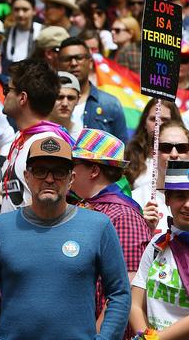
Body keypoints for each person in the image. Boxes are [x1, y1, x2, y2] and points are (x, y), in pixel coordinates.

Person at [0, 136, 131, 339]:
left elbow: (120, 293)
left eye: (59, 172)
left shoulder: (99, 226)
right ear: (26, 176)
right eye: (40, 171)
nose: (49, 179)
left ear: (71, 178)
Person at [69, 128, 152, 337]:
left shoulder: (124, 216)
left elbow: (127, 289)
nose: (69, 171)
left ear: (94, 171)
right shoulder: (85, 207)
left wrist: (99, 334)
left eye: (74, 164)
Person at [0, 58, 75, 213]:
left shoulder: (48, 144)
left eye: (7, 90)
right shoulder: (20, 139)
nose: (4, 96)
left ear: (22, 98)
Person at [130, 159, 189, 339]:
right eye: (180, 196)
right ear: (168, 199)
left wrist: (156, 338)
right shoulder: (157, 244)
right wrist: (145, 335)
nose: (187, 204)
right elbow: (135, 304)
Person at [57, 36, 128, 142]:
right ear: (58, 64)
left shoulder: (110, 104)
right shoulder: (48, 102)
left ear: (90, 62)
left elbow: (122, 149)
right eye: (67, 59)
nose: (73, 63)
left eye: (79, 57)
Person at [134, 121, 189, 234]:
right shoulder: (135, 199)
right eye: (165, 147)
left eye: (182, 148)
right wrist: (140, 227)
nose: (174, 154)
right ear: (152, 152)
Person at [125, 98, 181, 191]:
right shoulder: (130, 154)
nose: (158, 124)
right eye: (153, 119)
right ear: (144, 123)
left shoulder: (183, 155)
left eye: (165, 119)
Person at [3, 0, 42, 68]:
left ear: (34, 10)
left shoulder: (42, 32)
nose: (20, 14)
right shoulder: (6, 33)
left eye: (25, 10)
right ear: (11, 10)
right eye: (16, 9)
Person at [49, 71, 82, 138]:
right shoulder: (36, 132)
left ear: (78, 99)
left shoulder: (82, 136)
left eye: (70, 98)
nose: (65, 103)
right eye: (59, 97)